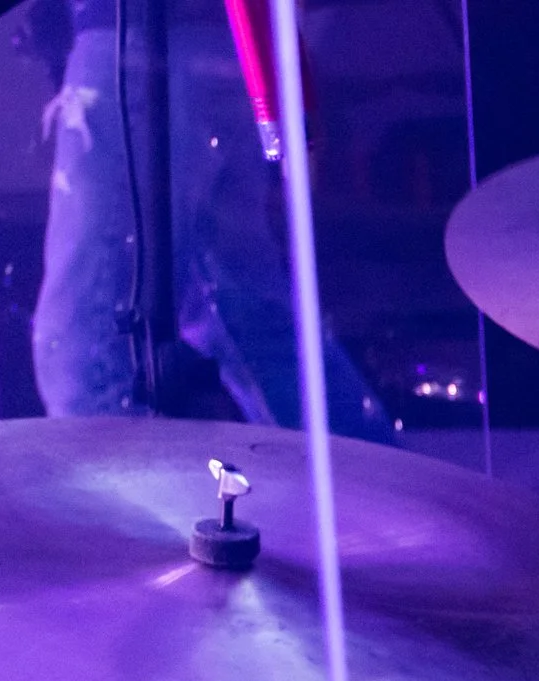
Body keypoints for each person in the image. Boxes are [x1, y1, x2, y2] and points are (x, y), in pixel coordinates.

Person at [26, 0, 395, 440]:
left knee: (83, 347)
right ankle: (380, 486)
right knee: (243, 309)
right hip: (225, 41)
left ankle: (112, 504)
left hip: (138, 40)